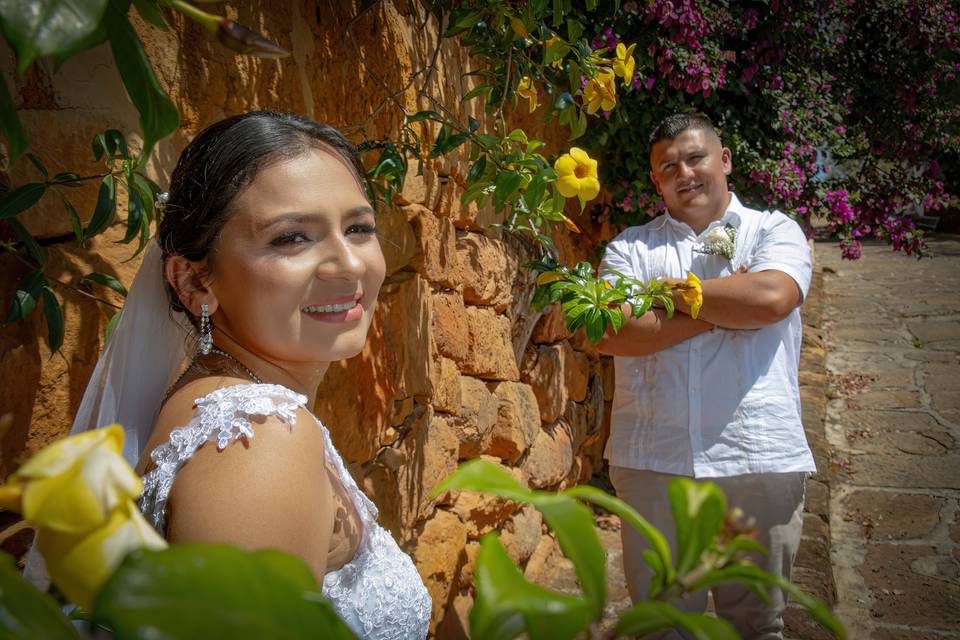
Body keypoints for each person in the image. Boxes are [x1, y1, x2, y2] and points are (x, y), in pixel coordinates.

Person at [64, 111, 431, 639]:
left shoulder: (228, 408)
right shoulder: (257, 436)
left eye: (358, 228)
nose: (347, 264)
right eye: (292, 239)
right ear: (193, 281)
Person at [597, 113, 815, 639]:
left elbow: (770, 298)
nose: (684, 172)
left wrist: (667, 298)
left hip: (758, 459)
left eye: (695, 158)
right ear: (656, 180)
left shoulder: (773, 230)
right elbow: (611, 331)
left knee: (757, 625)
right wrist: (722, 307)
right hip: (655, 460)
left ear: (725, 160)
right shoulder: (630, 247)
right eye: (668, 165)